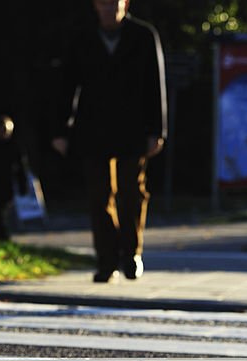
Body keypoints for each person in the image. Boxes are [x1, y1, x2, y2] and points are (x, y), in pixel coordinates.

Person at [51, 0, 167, 282]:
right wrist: (60, 130)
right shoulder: (83, 38)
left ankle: (131, 254)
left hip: (132, 128)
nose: (108, 9)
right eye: (103, 3)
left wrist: (157, 130)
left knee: (131, 192)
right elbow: (67, 84)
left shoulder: (142, 36)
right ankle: (106, 260)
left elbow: (155, 83)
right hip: (93, 129)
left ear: (124, 5)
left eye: (113, 3)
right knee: (99, 196)